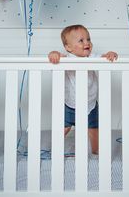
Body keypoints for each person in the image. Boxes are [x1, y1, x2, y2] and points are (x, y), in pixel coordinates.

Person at [48, 24, 118, 154]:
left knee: (93, 128)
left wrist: (109, 54)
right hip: (70, 103)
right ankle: (55, 148)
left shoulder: (91, 58)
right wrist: (54, 54)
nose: (87, 43)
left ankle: (96, 150)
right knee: (64, 126)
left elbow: (103, 58)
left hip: (89, 103)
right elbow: (56, 57)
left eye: (88, 39)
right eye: (81, 41)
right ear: (68, 47)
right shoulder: (66, 59)